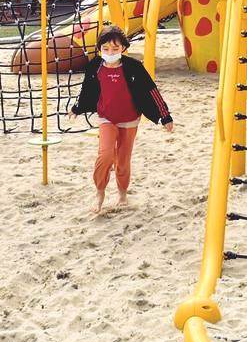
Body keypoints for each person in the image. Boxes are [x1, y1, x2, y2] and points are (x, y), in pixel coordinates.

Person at [70, 26, 173, 214]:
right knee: (105, 154)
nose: (110, 53)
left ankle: (122, 194)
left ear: (123, 48)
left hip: (130, 118)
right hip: (106, 117)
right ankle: (100, 192)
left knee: (123, 160)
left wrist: (164, 115)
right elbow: (87, 90)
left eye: (115, 49)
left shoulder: (134, 67)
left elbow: (151, 91)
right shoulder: (95, 66)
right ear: (100, 49)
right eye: (106, 49)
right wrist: (77, 108)